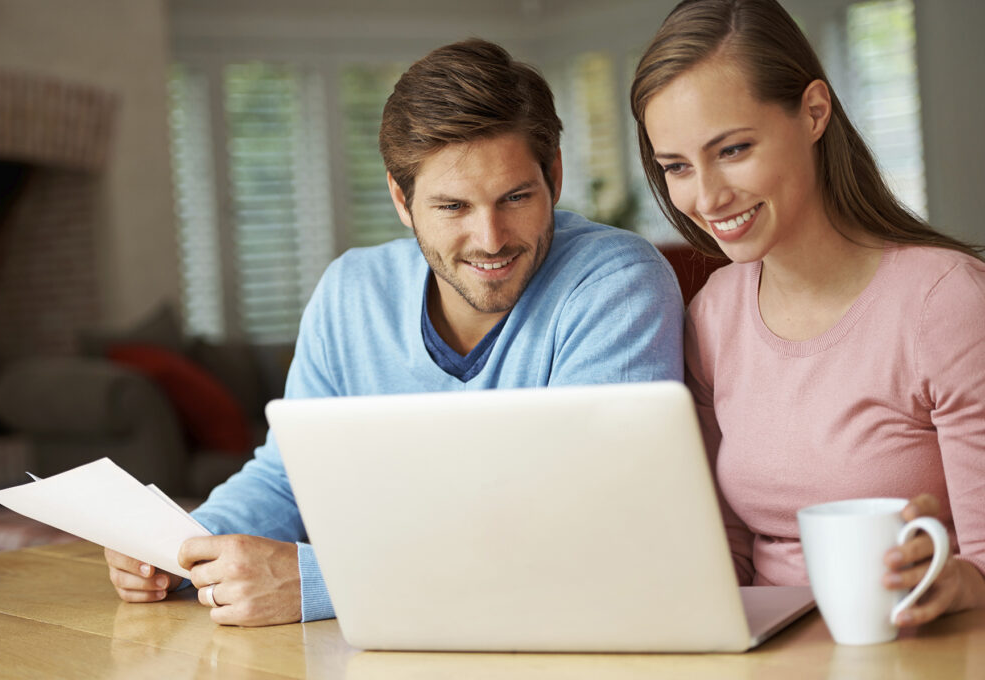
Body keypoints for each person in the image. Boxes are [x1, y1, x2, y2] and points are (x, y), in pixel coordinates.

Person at [105, 38, 684, 626]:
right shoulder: (351, 292)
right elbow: (289, 477)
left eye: (515, 197)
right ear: (401, 199)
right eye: (453, 207)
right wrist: (179, 544)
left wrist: (320, 582)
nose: (491, 238)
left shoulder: (617, 283)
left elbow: (587, 530)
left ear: (554, 176)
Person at [630, 0, 985, 629]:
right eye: (677, 167)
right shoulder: (712, 316)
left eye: (733, 149)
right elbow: (729, 554)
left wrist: (953, 578)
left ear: (814, 112)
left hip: (916, 640)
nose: (706, 197)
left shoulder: (945, 302)